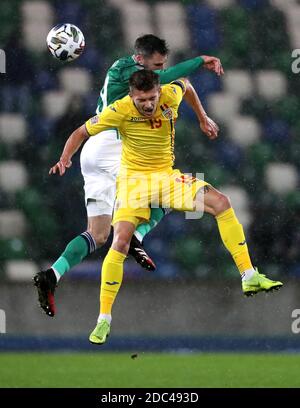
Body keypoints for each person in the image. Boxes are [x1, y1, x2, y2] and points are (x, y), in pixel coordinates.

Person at [50, 70, 283, 345]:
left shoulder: (171, 93)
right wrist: (65, 158)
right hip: (133, 183)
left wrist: (203, 117)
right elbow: (80, 132)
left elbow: (186, 84)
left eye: (151, 98)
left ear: (159, 92)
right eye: (141, 100)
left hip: (166, 178)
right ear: (132, 96)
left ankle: (249, 275)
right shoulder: (119, 109)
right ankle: (103, 319)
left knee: (221, 202)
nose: (148, 105)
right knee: (121, 242)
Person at [34, 34, 223, 317]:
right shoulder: (133, 76)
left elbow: (184, 85)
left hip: (92, 151)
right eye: (156, 66)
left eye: (162, 65)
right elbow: (177, 78)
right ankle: (138, 235)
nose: (159, 72)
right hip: (114, 144)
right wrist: (200, 60)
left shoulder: (128, 71)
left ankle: (52, 274)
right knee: (168, 188)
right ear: (140, 60)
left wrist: (202, 117)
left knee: (98, 235)